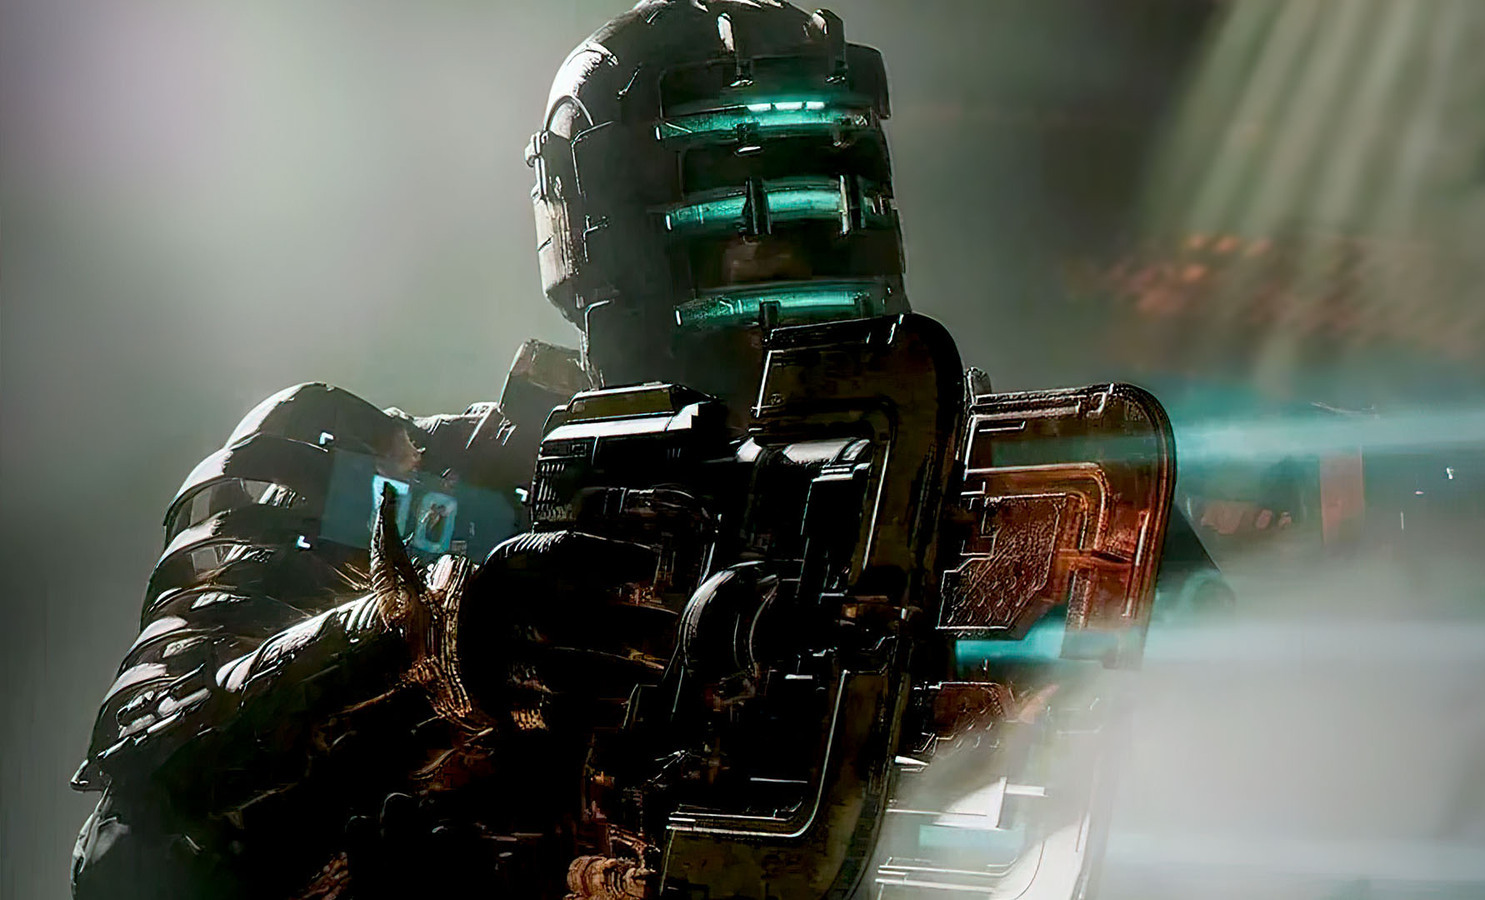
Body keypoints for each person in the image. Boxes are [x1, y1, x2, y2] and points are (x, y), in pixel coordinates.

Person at [71, 3, 1220, 897]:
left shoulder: (1012, 507)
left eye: (809, 182)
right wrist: (437, 646)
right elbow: (129, 857)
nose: (776, 247)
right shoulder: (386, 483)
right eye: (730, 194)